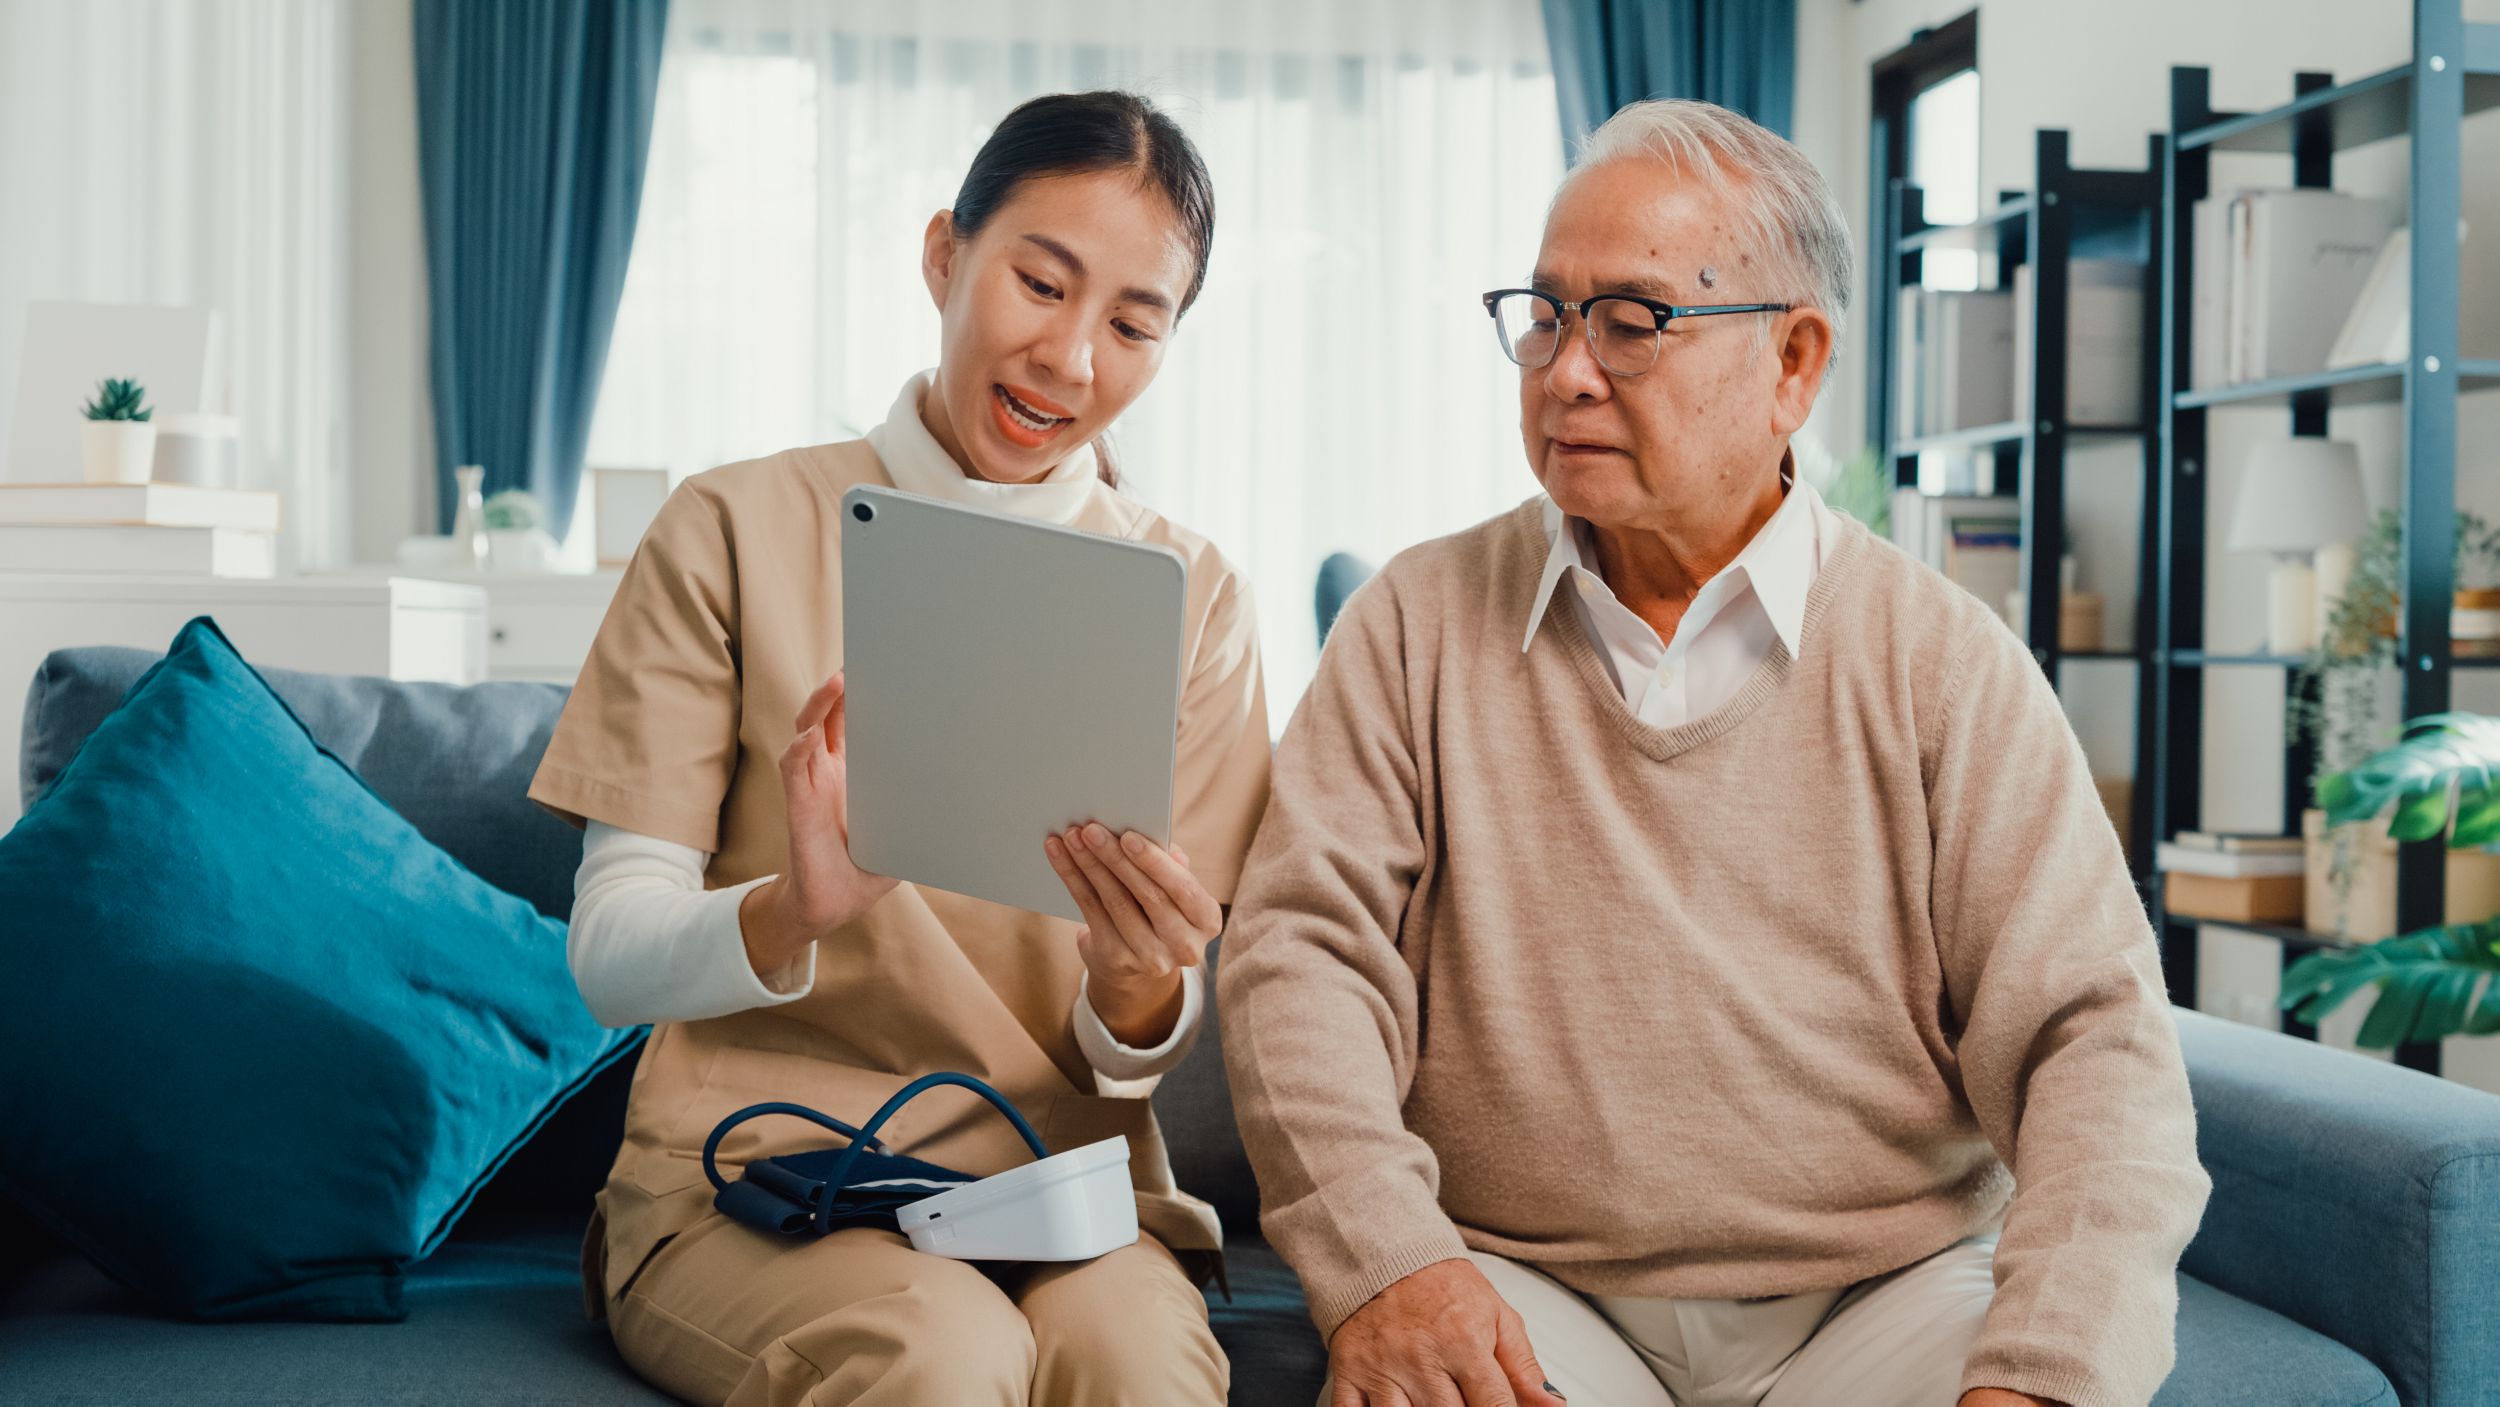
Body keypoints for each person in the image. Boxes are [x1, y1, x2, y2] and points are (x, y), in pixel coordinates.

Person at [1218, 98, 2209, 1407]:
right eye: (1547, 314)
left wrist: (2049, 1371)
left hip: (1890, 1290)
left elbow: (2097, 1043)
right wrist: (1387, 1265)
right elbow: (1300, 961)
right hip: (1524, 1281)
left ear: (1795, 363)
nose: (1569, 370)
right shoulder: (1411, 621)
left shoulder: (1939, 661)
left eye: (1632, 321)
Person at [527, 90, 1271, 1407]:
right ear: (945, 255)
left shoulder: (1191, 597)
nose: (1072, 358)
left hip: (1057, 1185)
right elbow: (606, 956)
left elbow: (1144, 1035)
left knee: (1139, 1367)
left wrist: (1135, 984)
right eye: (1040, 284)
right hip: (748, 1175)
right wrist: (793, 909)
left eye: (1132, 323)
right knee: (939, 1354)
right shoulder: (731, 527)